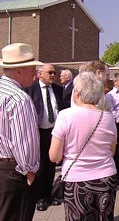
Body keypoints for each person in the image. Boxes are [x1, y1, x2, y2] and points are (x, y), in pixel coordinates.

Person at [49, 72, 117, 220]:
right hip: (106, 177)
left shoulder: (65, 116)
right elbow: (112, 151)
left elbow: (54, 156)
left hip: (76, 180)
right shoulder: (108, 117)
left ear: (77, 93)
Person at [0, 43, 42, 220]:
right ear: (18, 71)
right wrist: (30, 171)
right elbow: (24, 142)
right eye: (32, 68)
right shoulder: (19, 99)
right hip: (12, 172)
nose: (35, 73)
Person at [25, 63, 63, 211]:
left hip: (54, 133)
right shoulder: (30, 90)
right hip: (38, 132)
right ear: (40, 74)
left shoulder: (58, 90)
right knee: (40, 166)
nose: (53, 75)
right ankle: (39, 197)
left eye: (54, 72)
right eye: (50, 73)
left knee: (51, 164)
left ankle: (49, 194)